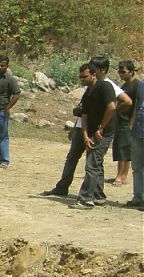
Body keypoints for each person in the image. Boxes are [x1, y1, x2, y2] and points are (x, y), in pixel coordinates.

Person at [42, 56, 131, 197]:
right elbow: (84, 111)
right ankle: (63, 187)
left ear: (100, 71)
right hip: (83, 127)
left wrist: (106, 119)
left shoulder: (107, 85)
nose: (83, 78)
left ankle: (93, 195)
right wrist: (75, 128)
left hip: (98, 130)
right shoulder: (89, 87)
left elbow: (126, 102)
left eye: (93, 69)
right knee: (74, 158)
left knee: (94, 162)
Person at [69, 62, 117, 210]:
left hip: (104, 132)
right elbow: (84, 115)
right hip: (91, 132)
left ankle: (85, 199)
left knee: (92, 164)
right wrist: (85, 135)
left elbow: (112, 107)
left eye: (85, 77)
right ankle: (98, 196)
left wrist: (101, 128)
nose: (82, 79)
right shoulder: (88, 92)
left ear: (94, 75)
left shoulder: (105, 87)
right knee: (96, 163)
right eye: (80, 77)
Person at [111, 61, 138, 186]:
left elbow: (136, 106)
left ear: (131, 72)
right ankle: (122, 175)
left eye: (123, 71)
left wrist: (132, 122)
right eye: (119, 71)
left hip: (127, 122)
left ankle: (121, 176)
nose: (120, 74)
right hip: (120, 121)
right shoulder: (124, 86)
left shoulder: (136, 86)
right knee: (121, 148)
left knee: (124, 149)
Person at [127, 77, 144, 210]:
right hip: (139, 129)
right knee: (137, 165)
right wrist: (131, 123)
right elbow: (137, 105)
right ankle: (138, 197)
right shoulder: (142, 83)